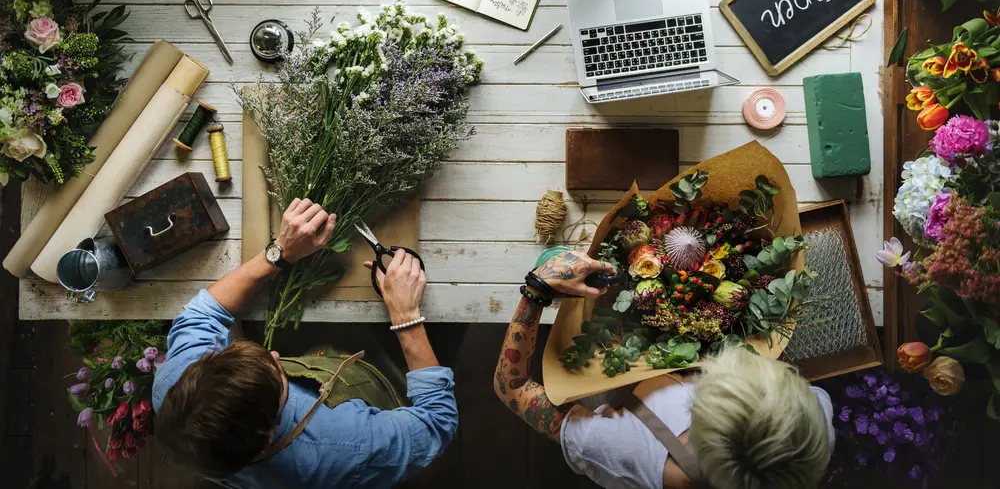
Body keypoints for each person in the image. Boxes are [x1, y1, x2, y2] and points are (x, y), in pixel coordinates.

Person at [152, 199, 458, 488]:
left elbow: (203, 312)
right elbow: (438, 422)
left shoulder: (176, 389)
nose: (274, 355)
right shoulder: (345, 448)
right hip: (382, 383)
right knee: (449, 329)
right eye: (277, 374)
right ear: (269, 433)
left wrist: (279, 252)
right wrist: (406, 316)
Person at [494, 249, 835, 489]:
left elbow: (512, 387)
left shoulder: (623, 451)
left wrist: (536, 291)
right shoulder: (808, 429)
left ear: (700, 420)